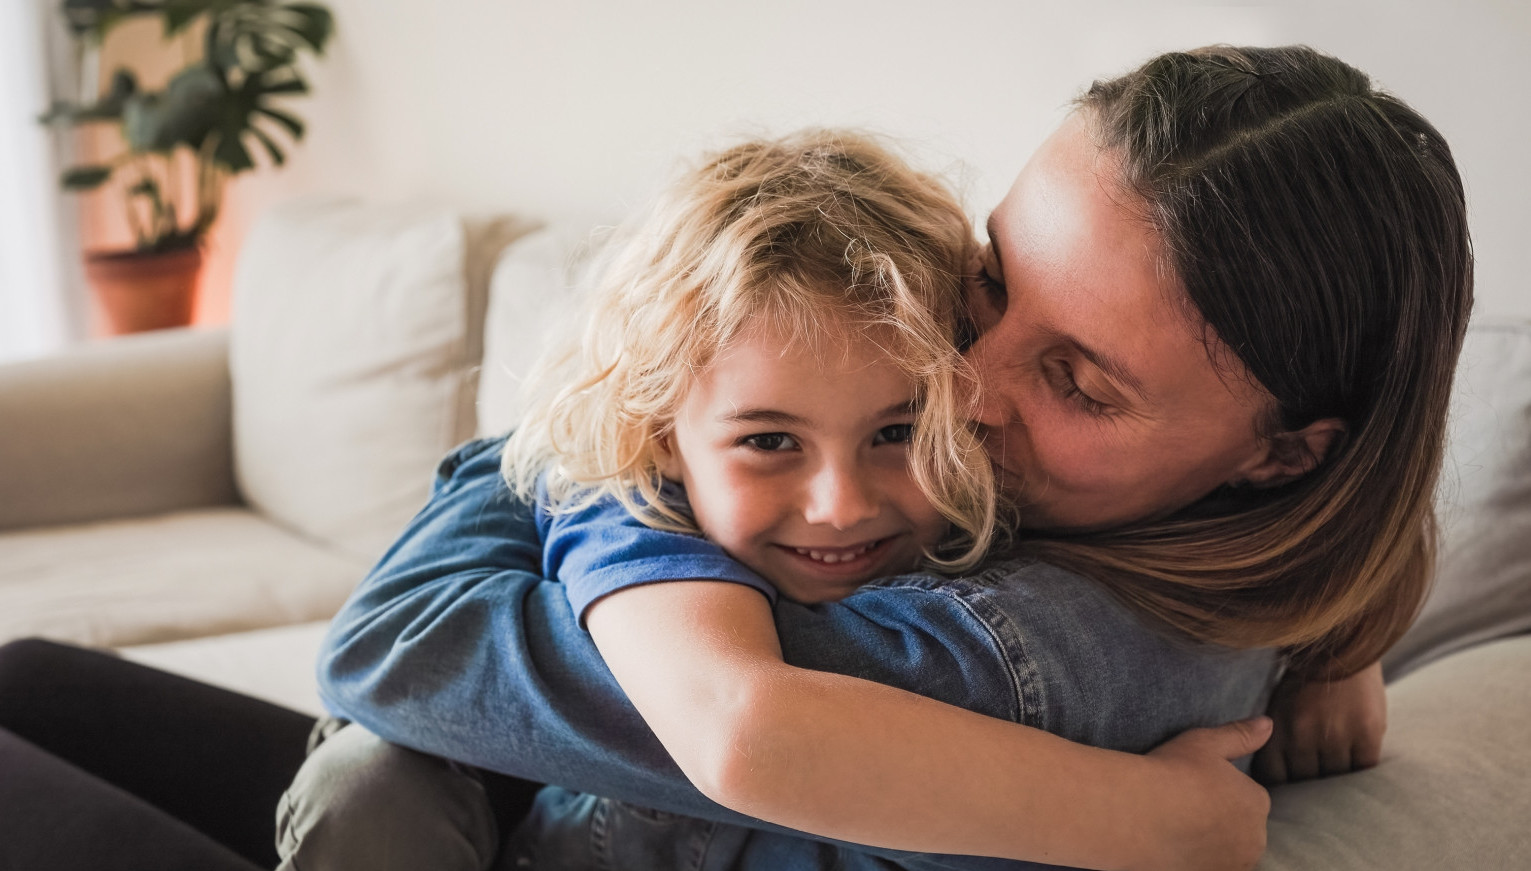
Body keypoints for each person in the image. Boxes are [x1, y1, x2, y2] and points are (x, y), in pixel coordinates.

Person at [0, 43, 1471, 871]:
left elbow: (403, 645)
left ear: (1283, 455)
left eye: (1074, 375)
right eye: (988, 285)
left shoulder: (1024, 647)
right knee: (31, 674)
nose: (958, 385)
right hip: (533, 799)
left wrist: (617, 444)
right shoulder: (1205, 537)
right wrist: (1343, 623)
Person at [280, 128, 1278, 871]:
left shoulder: (1014, 597)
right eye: (769, 441)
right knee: (362, 777)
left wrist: (1343, 639)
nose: (840, 504)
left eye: (897, 431)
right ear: (659, 434)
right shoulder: (648, 508)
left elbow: (400, 643)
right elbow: (390, 648)